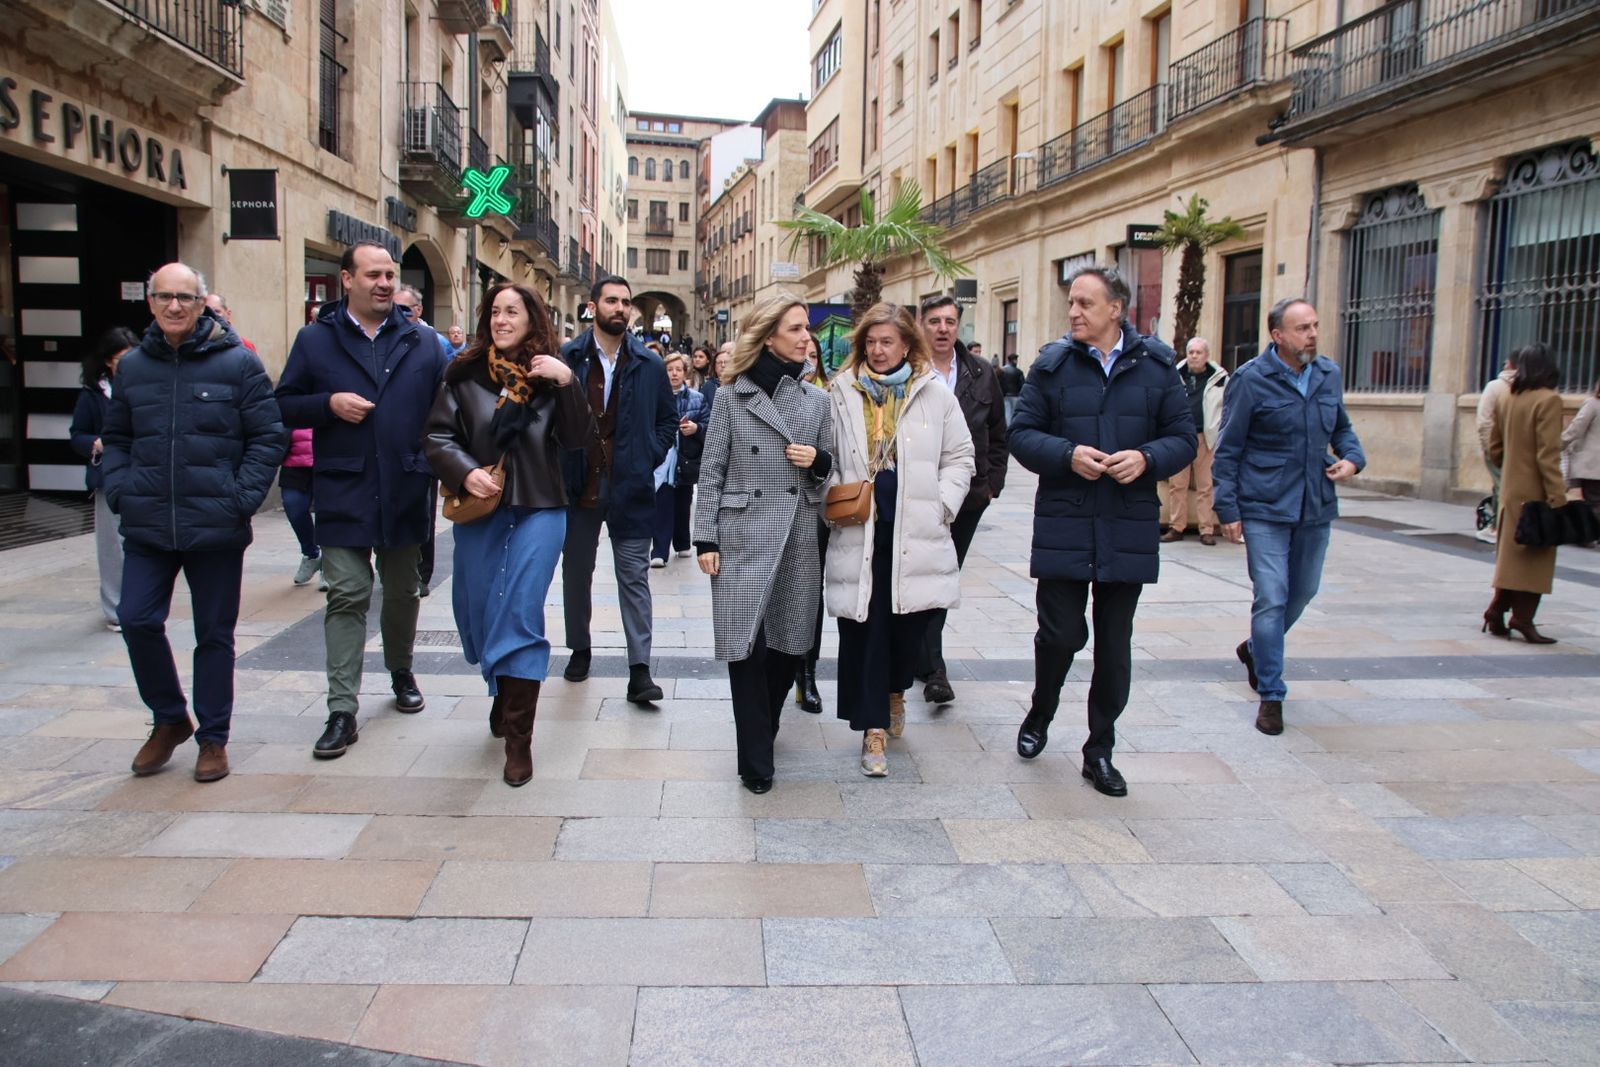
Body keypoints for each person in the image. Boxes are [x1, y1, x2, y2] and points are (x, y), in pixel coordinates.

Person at [1010, 265, 1195, 797]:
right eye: (1072, 303)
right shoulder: (1051, 366)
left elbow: (1183, 437)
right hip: (1066, 521)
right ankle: (1041, 711)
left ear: (1117, 308)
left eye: (1086, 303)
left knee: (1115, 647)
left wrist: (1147, 457)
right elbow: (1023, 435)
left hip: (1127, 524)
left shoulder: (1158, 367)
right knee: (1062, 635)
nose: (1074, 312)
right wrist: (1068, 455)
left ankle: (1100, 750)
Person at [102, 263, 287, 782]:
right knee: (136, 618)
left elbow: (267, 436)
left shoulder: (238, 365)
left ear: (203, 302)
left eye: (185, 297)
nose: (176, 306)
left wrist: (240, 498)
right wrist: (121, 491)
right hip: (148, 522)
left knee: (214, 634)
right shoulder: (133, 368)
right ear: (151, 303)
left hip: (216, 523)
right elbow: (115, 438)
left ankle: (213, 737)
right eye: (165, 297)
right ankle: (168, 718)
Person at [275, 240, 450, 759]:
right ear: (346, 279)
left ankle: (400, 669)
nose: (383, 283)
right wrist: (327, 404)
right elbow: (283, 405)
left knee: (402, 591)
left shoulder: (422, 341)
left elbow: (446, 410)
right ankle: (341, 709)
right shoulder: (315, 340)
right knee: (348, 593)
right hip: (343, 489)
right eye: (372, 274)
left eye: (390, 275)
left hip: (404, 487)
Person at [423, 283, 591, 786]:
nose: (501, 319)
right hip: (482, 511)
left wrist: (568, 385)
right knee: (476, 613)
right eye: (494, 311)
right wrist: (462, 469)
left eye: (511, 311)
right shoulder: (463, 373)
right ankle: (502, 687)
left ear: (531, 318)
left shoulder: (553, 374)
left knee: (519, 612)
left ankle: (519, 739)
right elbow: (436, 435)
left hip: (541, 508)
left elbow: (581, 439)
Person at [826, 302, 974, 777]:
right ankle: (872, 731)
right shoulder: (841, 391)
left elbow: (960, 457)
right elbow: (825, 453)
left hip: (916, 530)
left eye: (887, 341)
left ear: (907, 344)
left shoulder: (934, 393)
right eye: (870, 342)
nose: (877, 350)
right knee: (864, 628)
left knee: (910, 624)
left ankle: (895, 689)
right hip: (860, 529)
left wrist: (943, 506)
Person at [694, 295, 834, 793]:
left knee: (788, 646)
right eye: (795, 328)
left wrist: (816, 461)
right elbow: (710, 473)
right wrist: (704, 535)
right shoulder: (732, 396)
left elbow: (830, 476)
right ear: (768, 335)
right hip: (740, 534)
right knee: (744, 648)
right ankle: (756, 759)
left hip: (797, 534)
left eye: (805, 329)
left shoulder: (817, 401)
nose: (805, 338)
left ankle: (765, 728)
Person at [1212, 298, 1365, 735]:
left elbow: (1342, 429)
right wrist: (1229, 508)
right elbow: (1229, 448)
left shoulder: (1328, 374)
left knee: (1304, 591)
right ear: (1278, 335)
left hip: (1315, 505)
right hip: (1264, 505)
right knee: (1272, 595)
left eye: (1315, 325)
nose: (1312, 334)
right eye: (1302, 328)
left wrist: (1353, 459)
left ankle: (1257, 650)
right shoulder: (1251, 380)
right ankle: (1272, 694)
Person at [558, 275, 677, 703]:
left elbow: (667, 420)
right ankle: (580, 648)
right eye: (611, 301)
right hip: (579, 484)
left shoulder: (649, 364)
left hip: (631, 486)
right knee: (577, 574)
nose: (620, 308)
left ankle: (639, 670)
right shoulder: (568, 358)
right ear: (593, 306)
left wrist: (649, 453)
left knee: (634, 578)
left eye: (626, 302)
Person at [915, 295, 1008, 705]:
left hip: (968, 497)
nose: (942, 328)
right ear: (922, 325)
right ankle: (927, 660)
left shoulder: (982, 373)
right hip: (916, 495)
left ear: (959, 326)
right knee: (921, 576)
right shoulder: (909, 371)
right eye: (934, 320)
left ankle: (932, 666)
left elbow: (999, 433)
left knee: (944, 576)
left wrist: (992, 486)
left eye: (949, 321)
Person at [1484, 343, 1568, 642]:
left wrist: (1509, 472)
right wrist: (1558, 497)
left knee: (1511, 556)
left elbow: (1494, 446)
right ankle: (1523, 618)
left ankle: (1497, 610)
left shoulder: (1508, 397)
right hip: (1536, 492)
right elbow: (1549, 455)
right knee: (1535, 557)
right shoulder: (1549, 400)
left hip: (1510, 489)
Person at [70, 326, 139, 631]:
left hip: (143, 473)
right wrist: (96, 443)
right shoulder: (94, 394)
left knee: (139, 543)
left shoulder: (146, 385)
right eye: (121, 358)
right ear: (108, 362)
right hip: (108, 475)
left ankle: (137, 602)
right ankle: (115, 609)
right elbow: (78, 435)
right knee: (112, 546)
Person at [392, 284, 448, 598]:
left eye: (405, 309)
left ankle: (421, 573)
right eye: (394, 308)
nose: (398, 315)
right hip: (387, 450)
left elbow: (443, 396)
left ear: (418, 311)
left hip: (420, 449)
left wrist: (431, 451)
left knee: (421, 514)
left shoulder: (433, 344)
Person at [794, 329, 832, 714]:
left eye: (814, 357)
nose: (807, 363)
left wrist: (819, 458)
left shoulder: (828, 400)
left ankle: (807, 674)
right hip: (774, 511)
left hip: (815, 510)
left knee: (811, 593)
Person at [1164, 337, 1229, 545]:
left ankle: (1206, 530)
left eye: (1198, 352)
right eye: (1191, 352)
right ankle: (1176, 527)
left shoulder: (1220, 378)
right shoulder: (1175, 375)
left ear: (1206, 356)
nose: (1193, 356)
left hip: (1205, 438)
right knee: (1177, 484)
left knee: (1205, 485)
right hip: (1180, 437)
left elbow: (1227, 407)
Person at [651, 353, 707, 567]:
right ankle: (660, 550)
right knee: (662, 501)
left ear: (685, 372)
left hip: (685, 458)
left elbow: (708, 424)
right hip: (663, 458)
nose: (673, 373)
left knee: (683, 502)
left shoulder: (697, 398)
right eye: (669, 369)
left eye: (678, 369)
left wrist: (696, 428)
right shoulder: (655, 395)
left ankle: (683, 542)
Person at [1476, 348, 1520, 544]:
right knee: (1509, 487)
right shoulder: (1528, 388)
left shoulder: (1495, 387)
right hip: (1519, 448)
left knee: (1501, 487)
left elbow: (1484, 421)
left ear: (1509, 364)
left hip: (1497, 447)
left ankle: (1497, 527)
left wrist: (1488, 447)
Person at [280, 427, 321, 586]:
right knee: (294, 508)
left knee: (328, 514)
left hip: (327, 463)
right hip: (293, 465)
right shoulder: (290, 402)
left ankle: (329, 568)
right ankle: (311, 555)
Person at [1564, 377, 1600, 535]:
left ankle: (1589, 535)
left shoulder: (1592, 404)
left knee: (1591, 502)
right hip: (1593, 465)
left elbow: (1576, 429)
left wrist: (1558, 444)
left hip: (1590, 464)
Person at [998, 353, 1024, 425]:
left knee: (1007, 412)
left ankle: (1007, 428)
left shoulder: (1002, 370)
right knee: (1014, 413)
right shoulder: (1019, 372)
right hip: (1015, 395)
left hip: (1005, 395)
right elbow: (1022, 385)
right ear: (1015, 360)